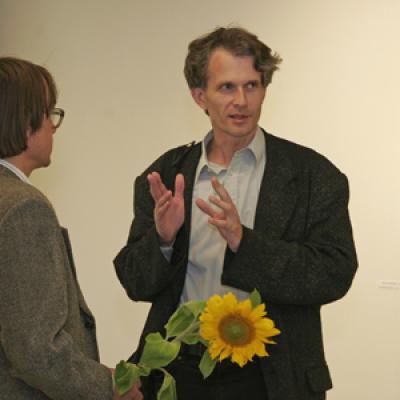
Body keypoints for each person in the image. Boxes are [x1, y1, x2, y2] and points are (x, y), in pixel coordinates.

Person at [114, 27, 358, 400]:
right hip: (181, 373)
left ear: (264, 90)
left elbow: (334, 273)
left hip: (272, 376)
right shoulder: (166, 174)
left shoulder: (313, 175)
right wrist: (162, 240)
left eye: (252, 86)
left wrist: (245, 243)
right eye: (227, 87)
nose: (241, 101)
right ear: (200, 96)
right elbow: (136, 283)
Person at [0, 57, 142, 400]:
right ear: (24, 121)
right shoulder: (23, 207)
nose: (53, 127)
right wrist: (108, 385)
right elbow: (36, 350)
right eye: (49, 113)